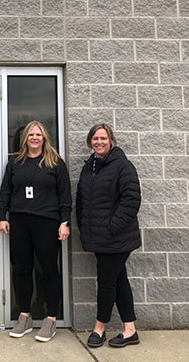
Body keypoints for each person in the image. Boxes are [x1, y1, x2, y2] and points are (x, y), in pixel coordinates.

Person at [0, 121, 71, 342]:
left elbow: (65, 196)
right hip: (20, 222)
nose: (35, 138)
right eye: (31, 134)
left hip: (47, 222)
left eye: (38, 134)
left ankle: (50, 318)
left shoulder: (55, 163)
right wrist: (3, 216)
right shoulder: (15, 162)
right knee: (22, 270)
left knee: (48, 269)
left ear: (44, 138)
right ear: (25, 139)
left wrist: (65, 222)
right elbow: (6, 191)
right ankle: (25, 316)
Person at [76, 123, 141, 349]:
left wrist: (112, 227)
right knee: (118, 280)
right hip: (99, 238)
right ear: (90, 141)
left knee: (105, 282)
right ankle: (130, 329)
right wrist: (84, 226)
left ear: (111, 140)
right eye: (95, 138)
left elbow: (132, 200)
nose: (99, 142)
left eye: (103, 138)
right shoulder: (89, 167)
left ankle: (99, 328)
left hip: (117, 238)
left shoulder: (123, 166)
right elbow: (82, 200)